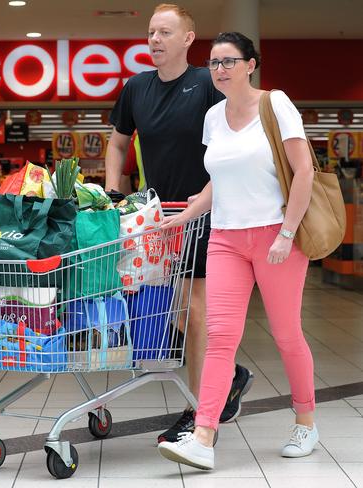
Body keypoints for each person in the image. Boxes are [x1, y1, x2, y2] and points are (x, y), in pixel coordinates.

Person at [157, 32, 317, 470]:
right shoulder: (212, 116)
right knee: (220, 338)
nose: (220, 69)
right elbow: (218, 182)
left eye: (229, 61)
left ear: (251, 64)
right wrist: (186, 214)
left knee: (287, 335)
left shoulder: (275, 104)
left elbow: (303, 170)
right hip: (226, 238)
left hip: (274, 235)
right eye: (213, 63)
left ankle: (305, 420)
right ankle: (204, 435)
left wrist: (287, 232)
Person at [105, 3, 254, 443]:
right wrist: (115, 192)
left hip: (208, 212)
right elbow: (117, 145)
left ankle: (199, 410)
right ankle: (230, 376)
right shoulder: (135, 88)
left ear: (188, 39)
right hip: (157, 217)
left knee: (194, 307)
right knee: (183, 315)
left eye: (165, 32)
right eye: (151, 32)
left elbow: (237, 142)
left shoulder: (208, 83)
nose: (154, 40)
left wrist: (211, 193)